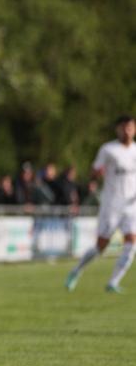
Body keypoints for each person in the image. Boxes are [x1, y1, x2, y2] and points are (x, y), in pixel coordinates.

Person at [66, 115, 136, 294]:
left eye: (130, 127)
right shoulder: (108, 149)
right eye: (124, 127)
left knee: (132, 242)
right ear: (118, 129)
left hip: (131, 205)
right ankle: (76, 271)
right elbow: (95, 171)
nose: (127, 131)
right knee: (101, 246)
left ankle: (113, 282)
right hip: (112, 204)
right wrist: (96, 174)